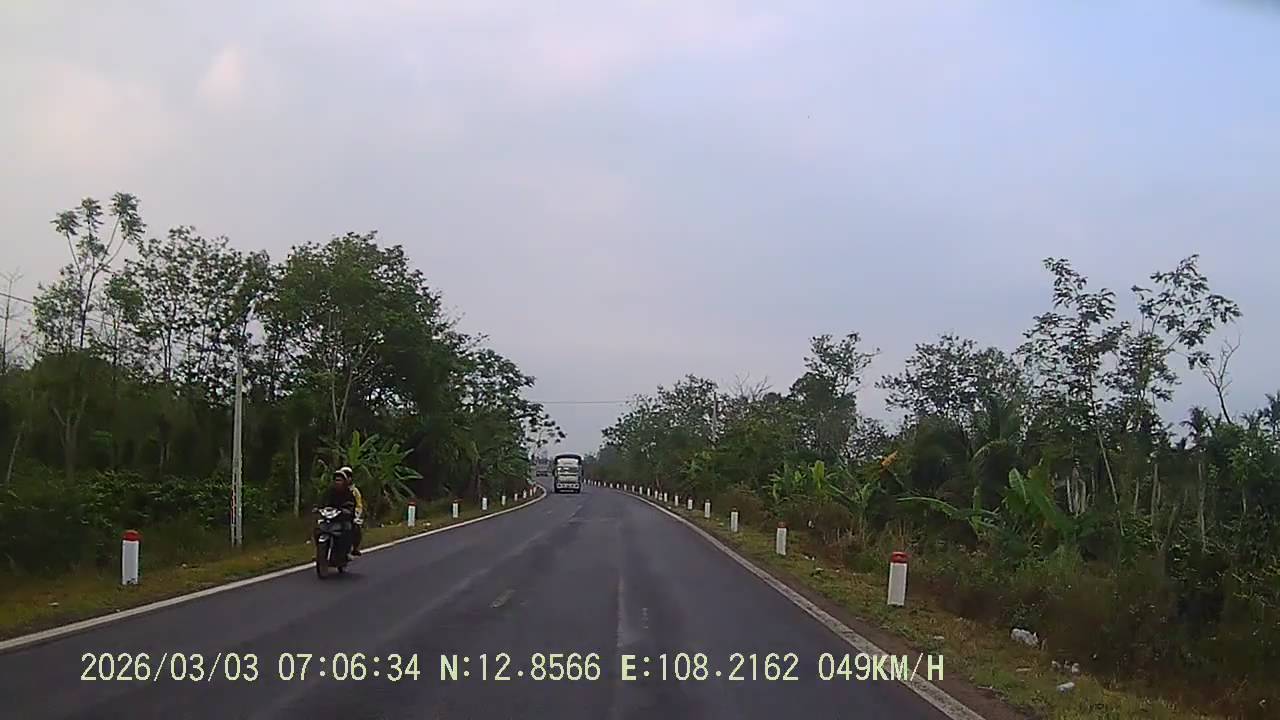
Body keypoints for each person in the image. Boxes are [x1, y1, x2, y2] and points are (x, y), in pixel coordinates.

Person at [338, 466, 365, 556]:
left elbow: (358, 505)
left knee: (355, 527)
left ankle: (354, 547)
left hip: (349, 514)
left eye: (348, 476)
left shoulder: (354, 491)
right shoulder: (333, 489)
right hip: (335, 513)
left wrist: (356, 513)